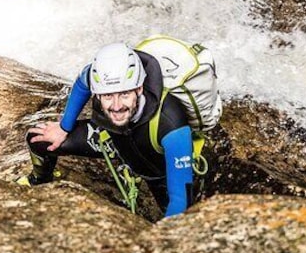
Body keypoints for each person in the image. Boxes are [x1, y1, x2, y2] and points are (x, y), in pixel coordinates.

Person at [18, 42, 197, 218]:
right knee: (38, 138)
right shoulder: (98, 78)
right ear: (98, 93)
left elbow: (180, 199)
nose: (117, 106)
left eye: (124, 94)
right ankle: (39, 181)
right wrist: (65, 127)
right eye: (108, 96)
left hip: (156, 170)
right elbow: (82, 83)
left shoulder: (171, 122)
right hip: (112, 139)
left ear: (139, 88)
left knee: (174, 212)